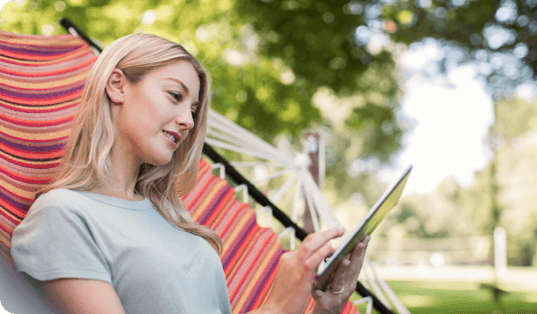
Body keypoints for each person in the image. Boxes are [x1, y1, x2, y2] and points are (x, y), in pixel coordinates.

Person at [10, 33, 370, 314]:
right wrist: (277, 306)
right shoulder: (62, 218)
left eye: (194, 109)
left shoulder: (170, 217)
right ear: (117, 85)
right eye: (174, 95)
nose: (188, 120)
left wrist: (324, 309)